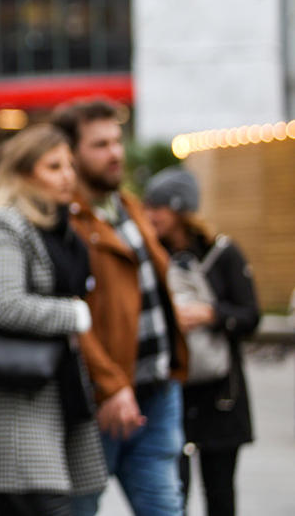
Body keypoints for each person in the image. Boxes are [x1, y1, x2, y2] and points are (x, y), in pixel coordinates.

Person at [0, 125, 106, 516]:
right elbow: (4, 304)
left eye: (70, 164)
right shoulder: (6, 226)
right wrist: (72, 313)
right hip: (16, 396)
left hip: (56, 388)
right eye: (53, 166)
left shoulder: (59, 228)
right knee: (45, 503)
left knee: (18, 505)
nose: (68, 175)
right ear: (22, 173)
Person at [53, 100, 188, 516]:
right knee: (79, 507)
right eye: (100, 144)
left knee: (165, 506)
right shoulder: (64, 221)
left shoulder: (128, 206)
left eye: (116, 141)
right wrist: (111, 384)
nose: (115, 153)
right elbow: (70, 315)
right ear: (71, 152)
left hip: (157, 389)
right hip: (100, 400)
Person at [143, 167, 258, 516]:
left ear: (180, 209)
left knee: (220, 493)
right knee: (172, 495)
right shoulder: (150, 256)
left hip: (222, 395)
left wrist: (210, 314)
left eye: (158, 207)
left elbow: (250, 316)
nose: (150, 215)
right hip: (171, 391)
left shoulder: (223, 254)